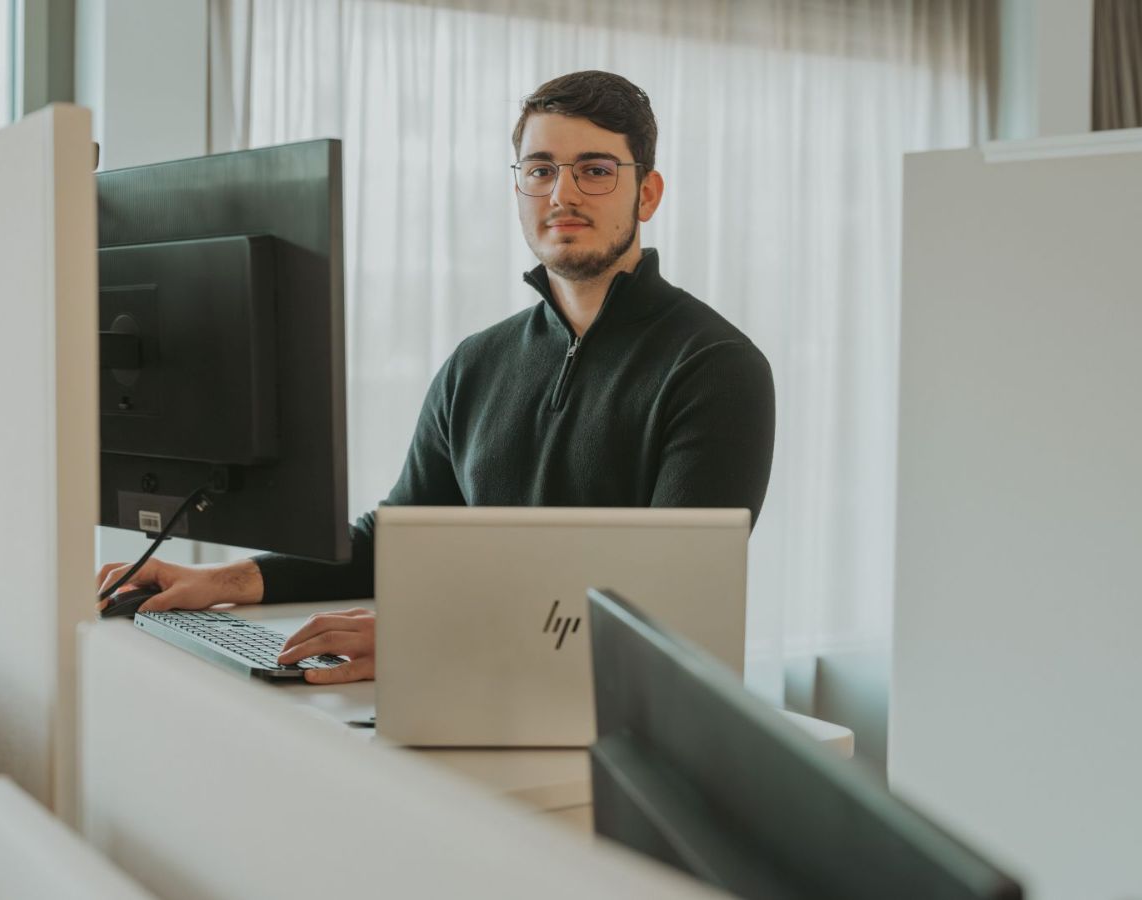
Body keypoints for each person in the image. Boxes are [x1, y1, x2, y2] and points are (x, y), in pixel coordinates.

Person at [96, 70, 775, 684]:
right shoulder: (476, 364)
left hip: (627, 727)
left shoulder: (716, 370)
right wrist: (226, 580)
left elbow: (661, 598)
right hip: (484, 701)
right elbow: (393, 540)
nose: (562, 193)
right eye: (539, 170)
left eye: (594, 169)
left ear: (647, 193)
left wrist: (427, 640)